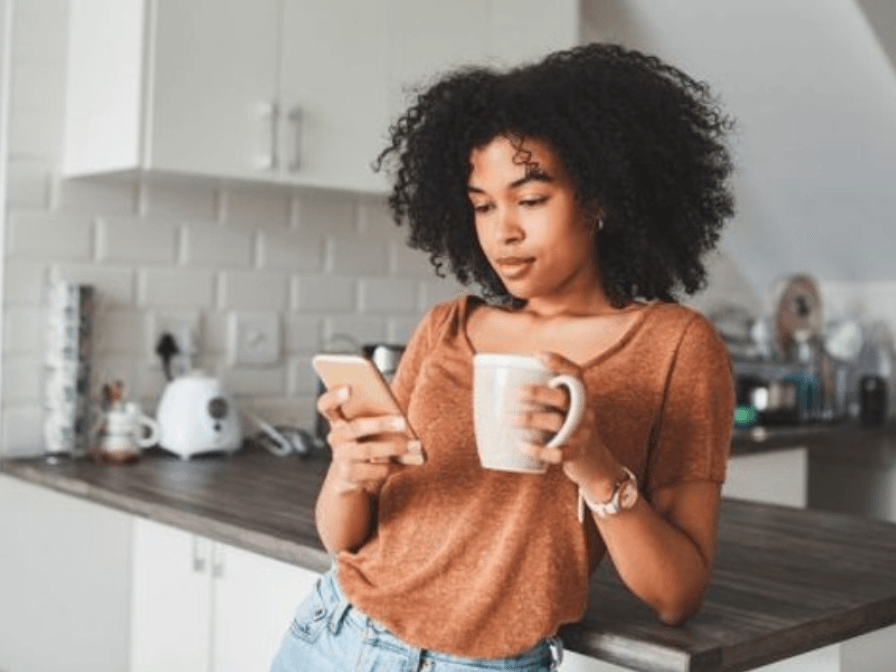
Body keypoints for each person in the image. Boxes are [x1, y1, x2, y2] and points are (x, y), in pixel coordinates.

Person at [271, 41, 736, 672]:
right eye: (483, 205)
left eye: (532, 199)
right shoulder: (446, 327)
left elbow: (678, 594)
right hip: (334, 633)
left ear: (599, 197)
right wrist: (349, 474)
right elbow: (347, 538)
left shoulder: (676, 347)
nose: (503, 231)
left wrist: (590, 461)